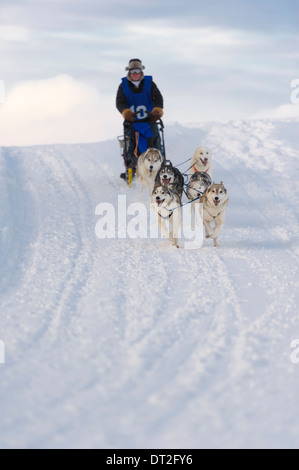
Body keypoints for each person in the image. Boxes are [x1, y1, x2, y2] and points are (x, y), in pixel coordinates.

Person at [116, 58, 164, 180]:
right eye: (133, 72)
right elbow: (120, 102)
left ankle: (159, 166)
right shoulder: (123, 86)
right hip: (132, 122)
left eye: (137, 71)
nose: (135, 74)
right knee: (130, 145)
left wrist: (157, 111)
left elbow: (158, 98)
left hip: (149, 120)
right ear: (129, 73)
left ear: (141, 72)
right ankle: (131, 167)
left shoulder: (150, 84)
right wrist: (126, 113)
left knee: (155, 142)